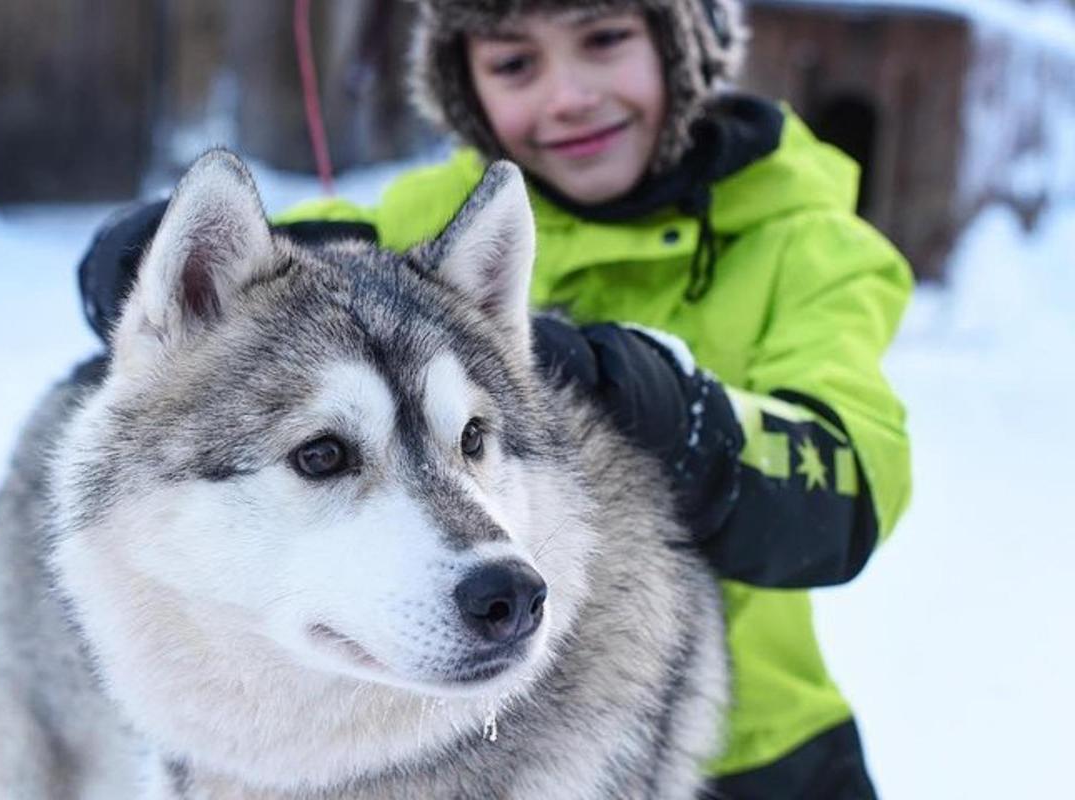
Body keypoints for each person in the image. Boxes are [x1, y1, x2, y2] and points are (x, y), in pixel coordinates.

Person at [76, 1, 912, 796]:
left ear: (681, 44)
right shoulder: (429, 219)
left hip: (757, 752)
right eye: (515, 62)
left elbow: (850, 487)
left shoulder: (809, 247)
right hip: (417, 721)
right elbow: (263, 281)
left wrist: (677, 410)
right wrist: (142, 264)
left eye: (606, 37)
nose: (569, 94)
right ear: (465, 85)